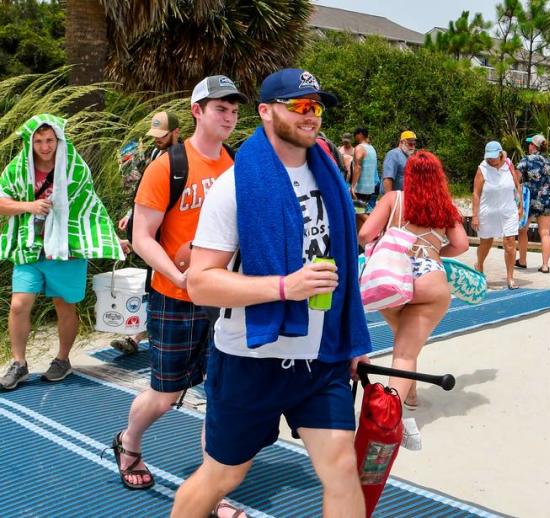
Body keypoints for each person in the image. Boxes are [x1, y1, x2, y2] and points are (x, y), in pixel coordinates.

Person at [171, 68, 371, 517]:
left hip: (321, 358)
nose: (311, 116)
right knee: (223, 475)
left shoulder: (332, 180)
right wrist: (286, 287)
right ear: (265, 111)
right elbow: (201, 281)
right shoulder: (235, 186)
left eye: (316, 107)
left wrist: (352, 342)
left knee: (342, 467)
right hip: (249, 360)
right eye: (300, 106)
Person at [110, 75, 245, 493]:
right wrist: (178, 274)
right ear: (196, 111)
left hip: (222, 298)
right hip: (176, 297)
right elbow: (142, 238)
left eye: (234, 109)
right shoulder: (167, 166)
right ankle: (128, 442)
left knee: (222, 394)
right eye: (220, 108)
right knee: (166, 395)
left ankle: (213, 488)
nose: (229, 116)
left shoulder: (237, 163)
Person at [0, 114, 125, 390]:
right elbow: (1, 201)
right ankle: (19, 363)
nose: (45, 147)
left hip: (67, 249)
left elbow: (90, 208)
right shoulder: (17, 168)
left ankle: (62, 359)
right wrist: (28, 206)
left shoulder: (75, 168)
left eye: (50, 140)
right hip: (30, 246)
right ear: (30, 141)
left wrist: (112, 238)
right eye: (39, 141)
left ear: (59, 140)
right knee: (19, 304)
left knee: (64, 305)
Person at [359, 150, 468, 449]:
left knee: (403, 341)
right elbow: (461, 245)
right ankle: (397, 416)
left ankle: (404, 401)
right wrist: (434, 253)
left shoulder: (394, 199)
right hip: (430, 283)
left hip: (392, 280)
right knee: (407, 349)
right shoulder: (444, 206)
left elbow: (366, 234)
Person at [112, 111, 182, 355]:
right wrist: (132, 217)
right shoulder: (154, 154)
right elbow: (147, 195)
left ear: (176, 132)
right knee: (154, 287)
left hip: (173, 237)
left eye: (162, 135)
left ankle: (139, 338)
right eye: (154, 135)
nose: (157, 140)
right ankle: (137, 338)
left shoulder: (182, 160)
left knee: (161, 287)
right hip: (154, 234)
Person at [472, 141, 522, 289]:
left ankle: (510, 277)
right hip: (488, 211)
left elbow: (517, 186)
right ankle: (479, 265)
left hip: (509, 210)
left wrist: (520, 207)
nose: (491, 160)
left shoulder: (508, 164)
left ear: (500, 153)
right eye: (489, 157)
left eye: (494, 157)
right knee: (486, 243)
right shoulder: (482, 168)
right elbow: (476, 193)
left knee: (510, 243)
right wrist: (475, 215)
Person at [516, 134, 550, 273]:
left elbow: (516, 178)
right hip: (546, 199)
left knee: (522, 229)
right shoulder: (549, 161)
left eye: (530, 144)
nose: (528, 146)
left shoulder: (526, 160)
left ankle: (522, 261)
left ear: (533, 146)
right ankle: (545, 266)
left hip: (529, 201)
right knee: (545, 233)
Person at [351, 126, 378, 204]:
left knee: (358, 213)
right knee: (363, 210)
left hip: (360, 189)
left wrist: (353, 186)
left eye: (355, 134)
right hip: (370, 188)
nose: (354, 137)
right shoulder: (372, 148)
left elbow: (357, 167)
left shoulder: (359, 148)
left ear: (360, 134)